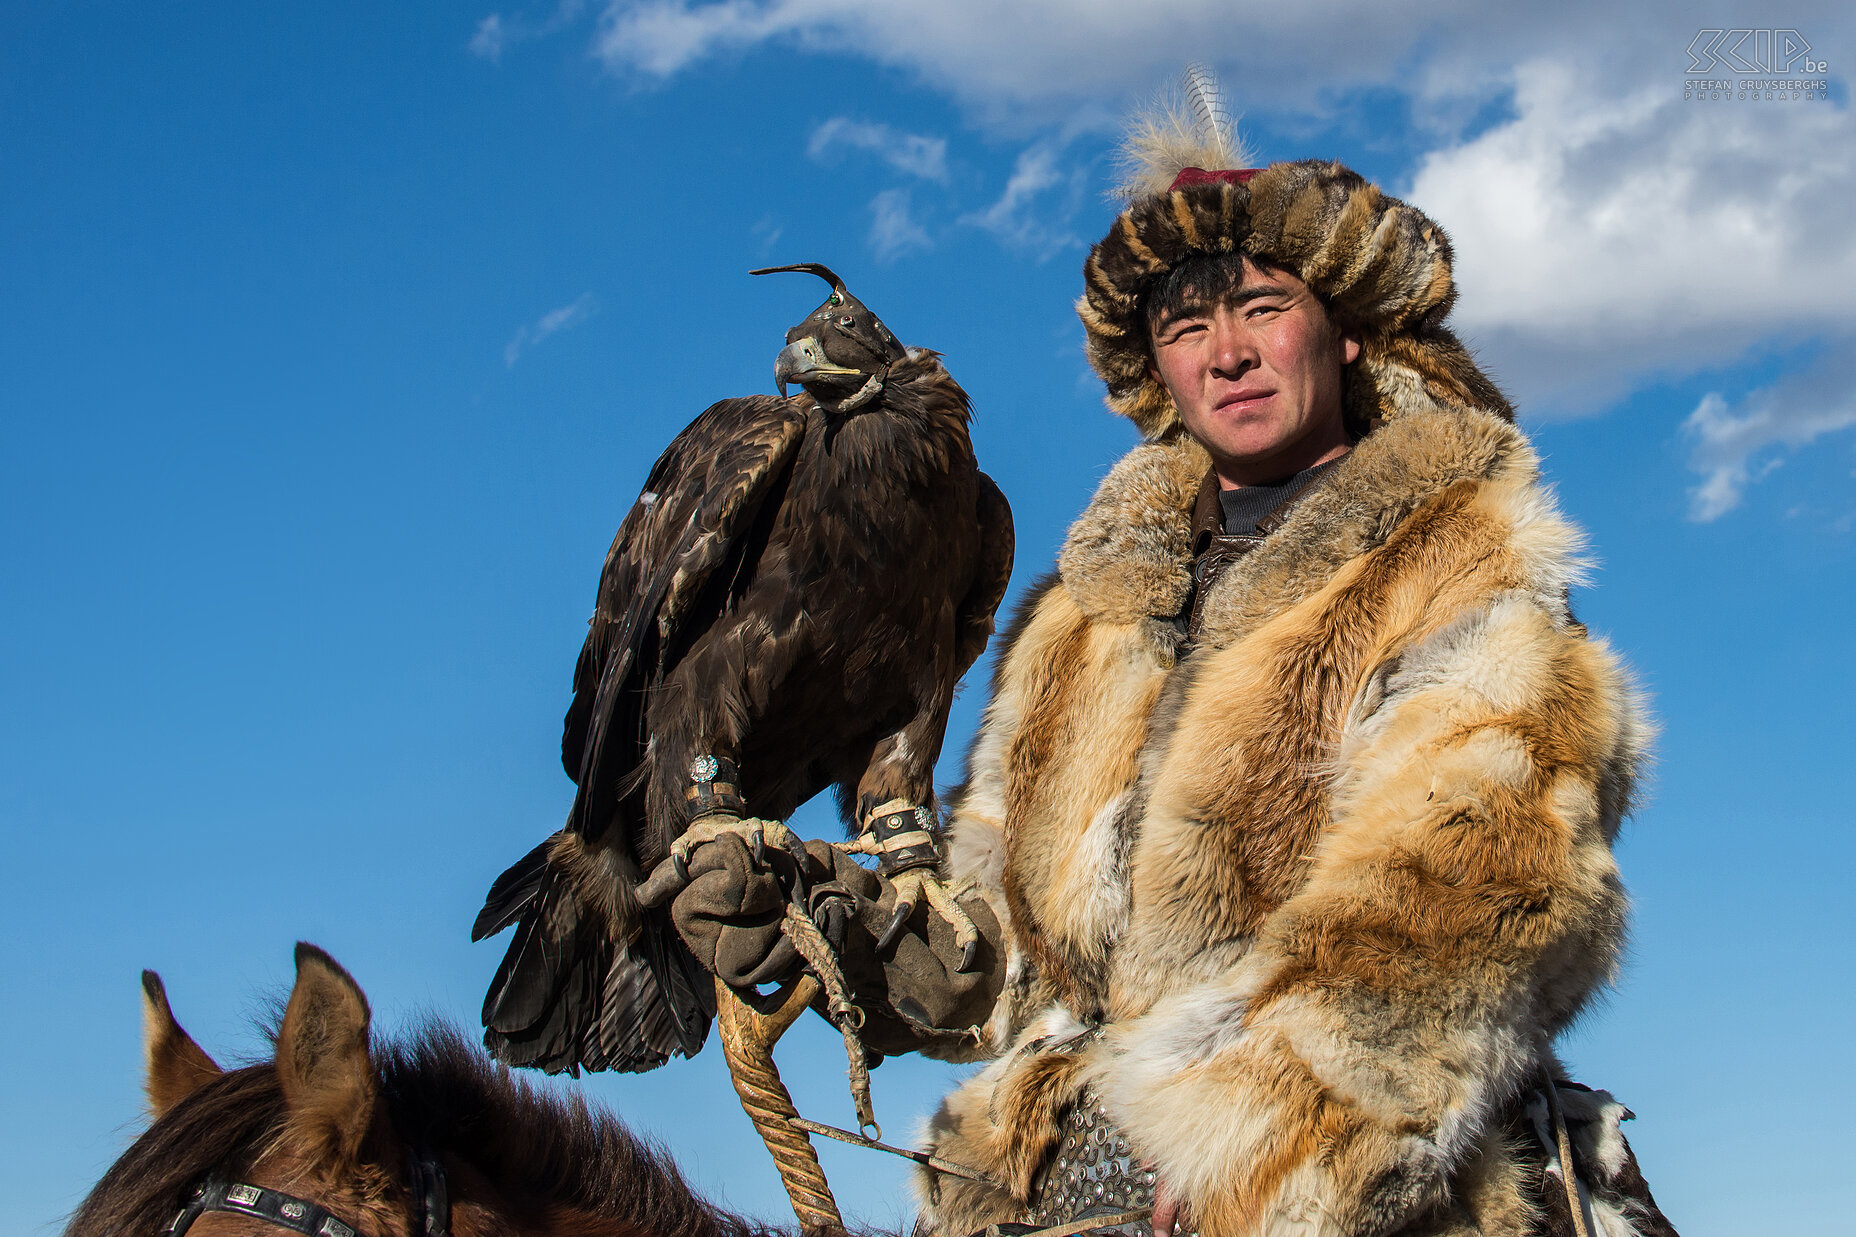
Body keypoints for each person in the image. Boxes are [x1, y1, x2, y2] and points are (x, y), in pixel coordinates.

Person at [669, 125, 1679, 1237]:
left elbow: (1469, 895)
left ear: (1338, 333)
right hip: (1062, 1158)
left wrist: (1253, 1146)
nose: (1226, 353)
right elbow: (1006, 950)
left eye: (1261, 310)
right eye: (1186, 326)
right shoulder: (1084, 618)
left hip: (1369, 1167)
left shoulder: (1459, 558)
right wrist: (846, 929)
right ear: (1157, 367)